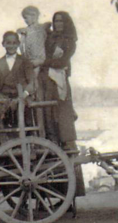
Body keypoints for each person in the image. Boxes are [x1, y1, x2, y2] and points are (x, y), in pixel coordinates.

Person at [40, 11, 85, 197]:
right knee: (49, 121)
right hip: (45, 83)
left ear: (66, 23)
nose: (58, 24)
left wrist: (43, 62)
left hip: (59, 83)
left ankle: (71, 190)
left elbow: (62, 61)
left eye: (61, 21)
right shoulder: (49, 37)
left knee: (64, 124)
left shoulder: (69, 40)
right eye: (55, 21)